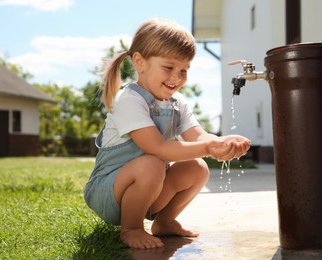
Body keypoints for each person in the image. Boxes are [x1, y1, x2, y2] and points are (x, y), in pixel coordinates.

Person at [84, 18, 251, 249]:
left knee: (197, 166)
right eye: (169, 67)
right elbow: (157, 148)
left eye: (184, 70)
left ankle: (164, 222)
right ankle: (131, 228)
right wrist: (208, 147)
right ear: (140, 63)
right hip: (108, 194)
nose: (177, 77)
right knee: (152, 163)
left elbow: (199, 137)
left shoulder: (176, 103)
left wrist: (221, 143)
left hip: (149, 188)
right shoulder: (129, 100)